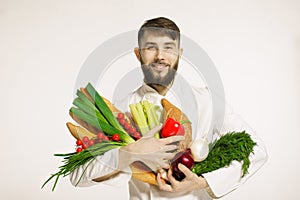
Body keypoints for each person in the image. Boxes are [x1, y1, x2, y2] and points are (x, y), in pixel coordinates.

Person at [70, 17, 268, 199]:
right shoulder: (121, 109)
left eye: (168, 48)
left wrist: (201, 182)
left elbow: (257, 150)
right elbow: (77, 176)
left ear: (179, 54)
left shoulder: (205, 99)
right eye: (150, 47)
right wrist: (129, 153)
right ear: (138, 54)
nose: (160, 56)